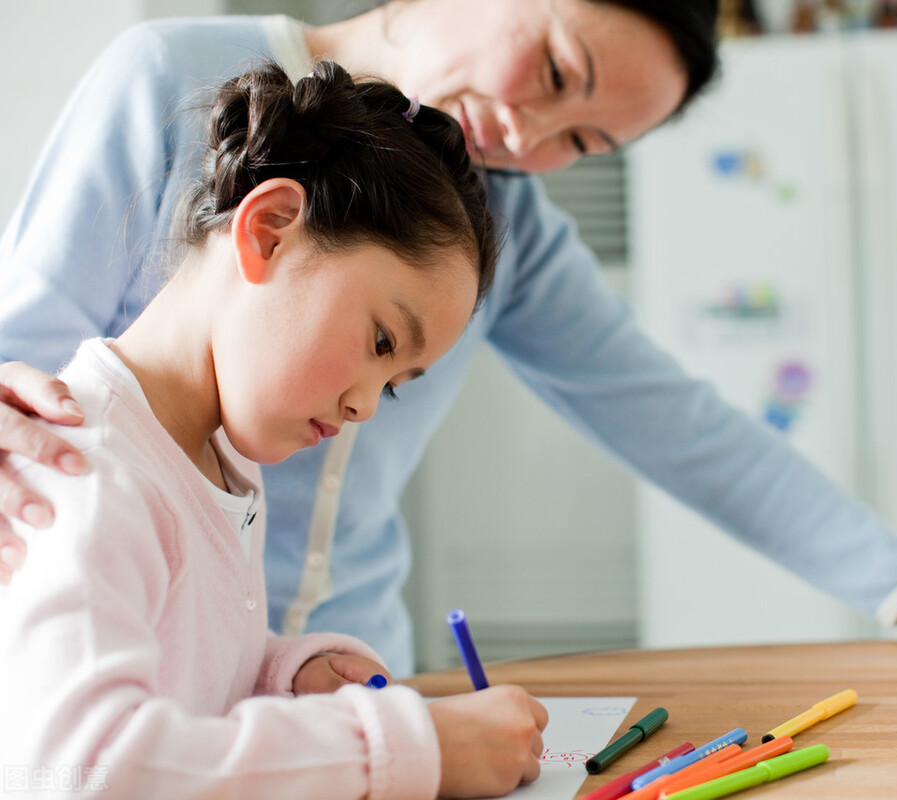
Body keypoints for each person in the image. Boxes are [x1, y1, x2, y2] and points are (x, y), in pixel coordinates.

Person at [0, 0, 897, 675]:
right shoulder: (169, 83)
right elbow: (29, 371)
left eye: (581, 140)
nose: (526, 140)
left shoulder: (508, 225)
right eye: (554, 74)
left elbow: (673, 419)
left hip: (344, 674)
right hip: (144, 658)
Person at [0, 59, 548, 798]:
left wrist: (284, 676)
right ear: (270, 230)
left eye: (393, 386)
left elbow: (183, 677)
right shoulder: (90, 475)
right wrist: (401, 750)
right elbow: (83, 770)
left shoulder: (215, 462)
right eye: (381, 342)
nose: (364, 408)